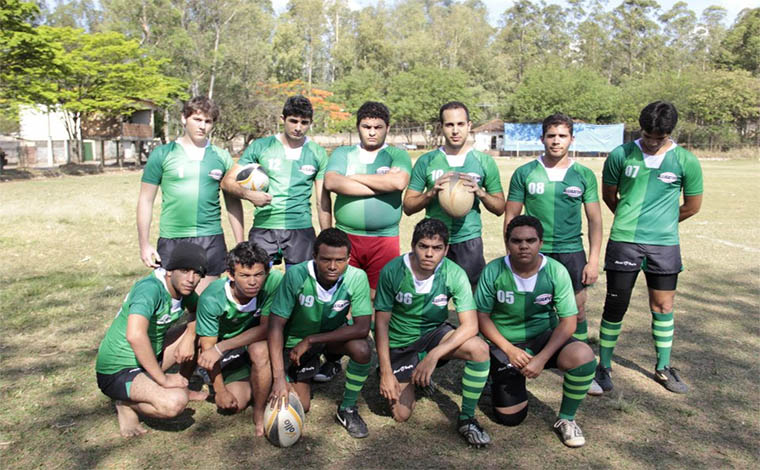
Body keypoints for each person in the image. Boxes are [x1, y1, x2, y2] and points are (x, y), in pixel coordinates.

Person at [596, 101, 702, 394]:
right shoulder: (621, 155)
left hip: (664, 246)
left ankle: (663, 367)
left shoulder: (686, 161)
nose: (653, 142)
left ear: (670, 132)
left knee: (663, 305)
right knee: (616, 305)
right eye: (648, 135)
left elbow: (692, 206)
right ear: (640, 128)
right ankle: (603, 366)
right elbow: (609, 195)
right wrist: (632, 222)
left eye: (661, 137)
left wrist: (663, 223)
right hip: (624, 242)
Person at [476, 215, 597, 447]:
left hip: (543, 339)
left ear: (540, 243)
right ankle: (496, 376)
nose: (523, 246)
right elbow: (482, 317)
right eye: (516, 241)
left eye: (530, 240)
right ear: (507, 242)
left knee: (583, 355)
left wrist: (541, 359)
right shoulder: (493, 270)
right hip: (506, 344)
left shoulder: (555, 271)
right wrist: (509, 350)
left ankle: (566, 420)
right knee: (510, 418)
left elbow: (569, 321)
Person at [504, 113, 603, 395]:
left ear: (571, 139)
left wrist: (593, 259)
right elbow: (511, 215)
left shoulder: (583, 174)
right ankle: (514, 361)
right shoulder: (525, 172)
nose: (556, 141)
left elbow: (595, 219)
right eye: (551, 135)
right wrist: (511, 252)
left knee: (578, 309)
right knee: (529, 306)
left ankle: (584, 367)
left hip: (572, 251)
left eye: (562, 136)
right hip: (536, 253)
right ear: (542, 138)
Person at [375, 218, 492, 447]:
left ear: (446, 250)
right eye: (423, 246)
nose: (429, 254)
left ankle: (467, 419)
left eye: (437, 248)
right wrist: (386, 372)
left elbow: (471, 325)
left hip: (434, 337)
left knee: (479, 348)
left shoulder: (454, 273)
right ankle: (403, 372)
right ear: (413, 246)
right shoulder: (393, 271)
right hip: (400, 342)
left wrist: (434, 355)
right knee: (400, 414)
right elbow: (381, 325)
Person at [318, 101, 412, 382]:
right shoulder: (343, 152)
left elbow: (398, 184)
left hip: (384, 240)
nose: (371, 132)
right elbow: (333, 182)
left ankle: (384, 361)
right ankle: (333, 359)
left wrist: (354, 179)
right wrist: (376, 185)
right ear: (358, 126)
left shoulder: (397, 154)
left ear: (387, 128)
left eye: (378, 127)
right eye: (366, 127)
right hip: (347, 238)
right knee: (341, 299)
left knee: (378, 301)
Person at [266, 228, 373, 439]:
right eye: (325, 259)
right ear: (314, 256)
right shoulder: (296, 275)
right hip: (295, 345)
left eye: (340, 260)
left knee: (362, 348)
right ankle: (295, 373)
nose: (333, 266)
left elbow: (362, 327)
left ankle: (347, 408)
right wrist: (279, 377)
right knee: (302, 405)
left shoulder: (357, 277)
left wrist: (312, 339)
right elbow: (275, 325)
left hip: (323, 339)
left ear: (349, 258)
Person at [95, 242, 209, 438]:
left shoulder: (183, 289)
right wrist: (162, 379)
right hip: (117, 370)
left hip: (149, 358)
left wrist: (190, 337)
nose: (191, 279)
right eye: (184, 270)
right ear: (169, 271)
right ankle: (125, 403)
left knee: (201, 331)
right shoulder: (150, 289)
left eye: (197, 273)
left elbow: (200, 312)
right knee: (175, 403)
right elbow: (135, 335)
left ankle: (182, 382)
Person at [138, 96, 244, 293]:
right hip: (173, 238)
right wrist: (144, 244)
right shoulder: (163, 154)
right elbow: (145, 200)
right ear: (184, 118)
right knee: (172, 306)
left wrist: (240, 244)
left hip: (210, 238)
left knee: (205, 306)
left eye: (208, 121)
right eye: (197, 119)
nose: (202, 126)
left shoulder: (221, 157)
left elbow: (233, 203)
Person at [221, 95, 332, 269]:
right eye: (293, 121)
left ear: (311, 122)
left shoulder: (318, 153)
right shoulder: (261, 146)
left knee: (299, 289)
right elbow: (227, 182)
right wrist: (249, 195)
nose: (298, 128)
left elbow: (322, 200)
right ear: (282, 119)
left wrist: (326, 238)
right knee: (256, 285)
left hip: (300, 230)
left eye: (304, 123)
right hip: (264, 228)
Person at [403, 101, 504, 289]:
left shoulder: (484, 162)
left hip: (468, 239)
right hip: (433, 240)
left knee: (471, 296)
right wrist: (431, 193)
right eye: (449, 125)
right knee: (430, 295)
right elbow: (407, 206)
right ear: (441, 127)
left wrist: (480, 193)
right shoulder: (427, 161)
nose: (455, 130)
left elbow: (499, 208)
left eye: (460, 124)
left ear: (469, 126)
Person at [195, 241, 283, 436]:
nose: (253, 282)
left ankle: (259, 413)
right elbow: (209, 351)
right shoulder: (212, 298)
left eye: (258, 275)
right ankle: (258, 383)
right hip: (226, 351)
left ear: (267, 272)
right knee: (234, 403)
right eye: (244, 275)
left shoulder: (274, 282)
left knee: (260, 350)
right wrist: (220, 390)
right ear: (231, 274)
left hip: (249, 343)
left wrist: (222, 347)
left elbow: (267, 328)